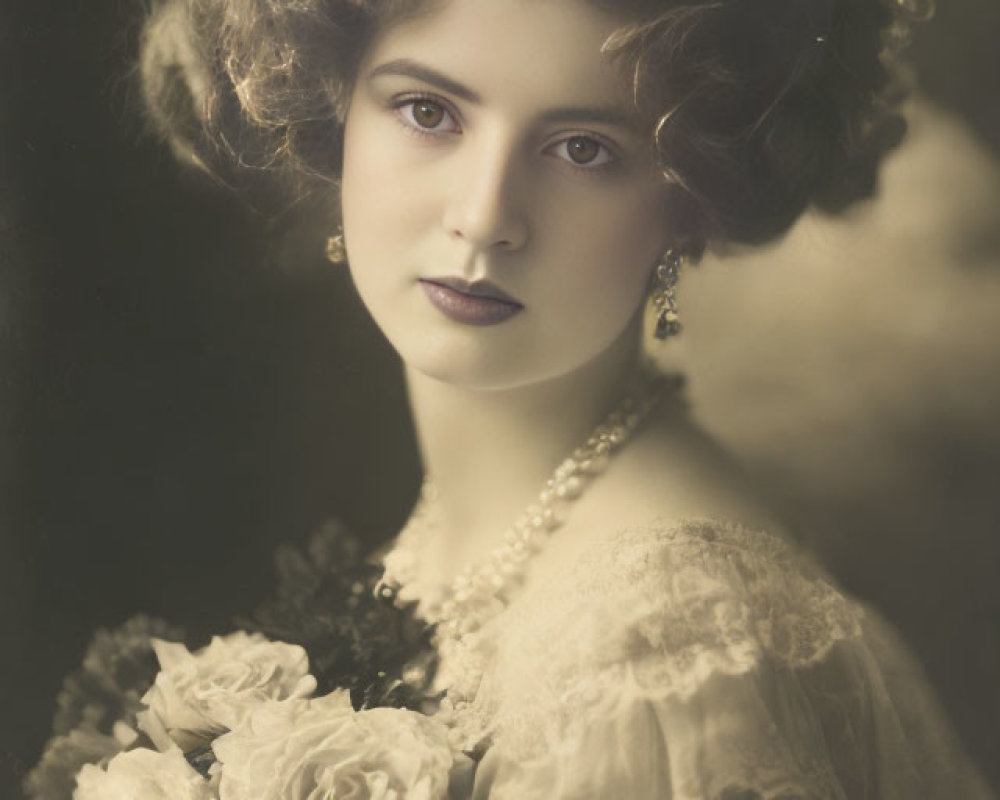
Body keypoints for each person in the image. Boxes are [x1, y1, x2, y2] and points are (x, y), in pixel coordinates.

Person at [138, 0, 995, 796]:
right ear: (334, 117)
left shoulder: (655, 648)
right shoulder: (502, 513)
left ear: (686, 205)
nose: (484, 217)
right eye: (429, 112)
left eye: (584, 148)